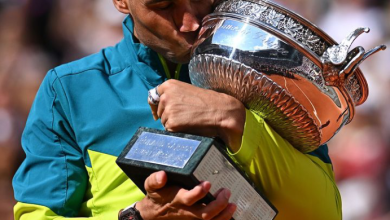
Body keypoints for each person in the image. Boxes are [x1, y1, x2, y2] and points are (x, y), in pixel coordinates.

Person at [12, 0, 342, 219]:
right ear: (121, 2)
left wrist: (232, 118)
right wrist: (137, 216)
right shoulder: (69, 90)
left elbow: (325, 213)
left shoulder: (271, 75)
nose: (192, 23)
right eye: (164, 4)